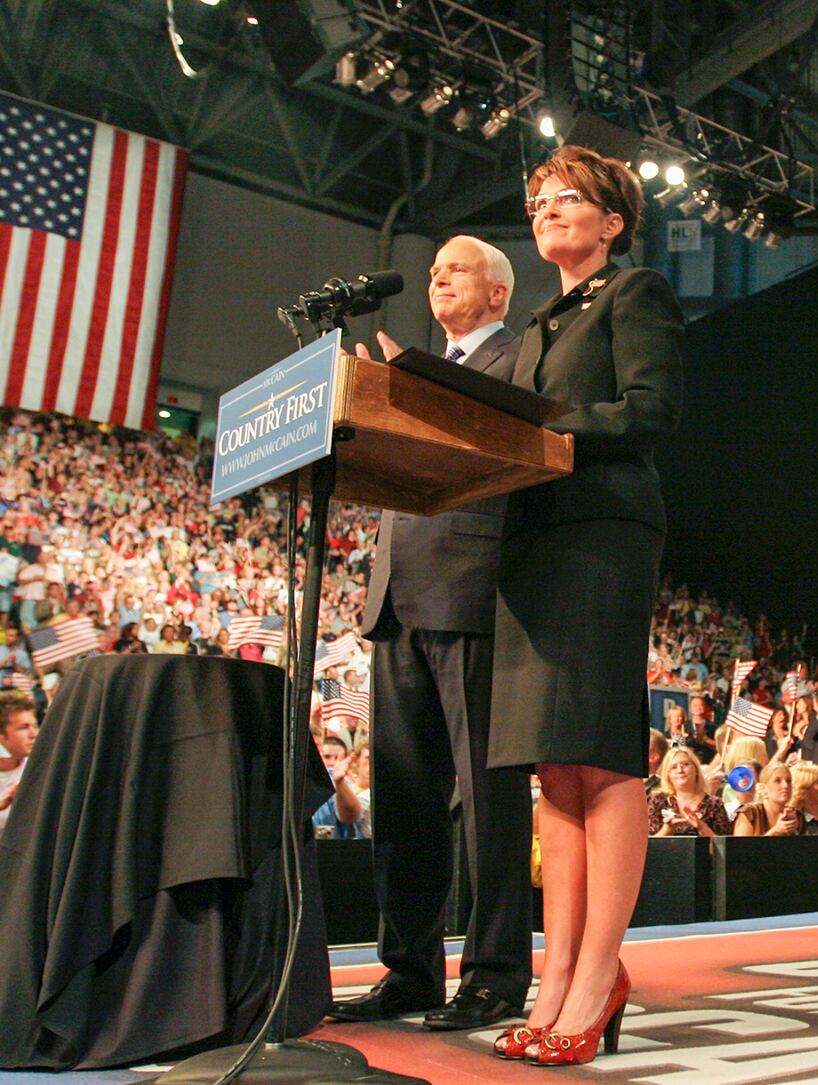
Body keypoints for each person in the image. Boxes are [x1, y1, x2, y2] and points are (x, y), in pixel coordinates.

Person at [489, 144, 684, 1066]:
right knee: (553, 771)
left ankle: (600, 970)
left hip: (602, 536)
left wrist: (541, 427)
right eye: (537, 200)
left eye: (569, 199)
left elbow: (648, 411)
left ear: (611, 222)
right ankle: (556, 973)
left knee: (600, 757)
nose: (548, 210)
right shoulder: (536, 325)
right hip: (531, 542)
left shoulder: (632, 293)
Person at [331, 235, 534, 1033]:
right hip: (397, 601)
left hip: (472, 592)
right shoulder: (413, 372)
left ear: (497, 295)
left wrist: (421, 389)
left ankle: (493, 975)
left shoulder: (517, 362)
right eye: (435, 267)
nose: (437, 274)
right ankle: (409, 970)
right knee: (407, 803)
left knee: (487, 802)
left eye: (458, 267)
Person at [648, 747, 733, 837]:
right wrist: (667, 830)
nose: (680, 770)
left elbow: (723, 846)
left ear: (696, 770)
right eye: (674, 767)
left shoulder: (715, 805)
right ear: (668, 775)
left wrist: (702, 827)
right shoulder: (658, 801)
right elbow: (647, 846)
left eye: (686, 764)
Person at [0, 691, 38, 839]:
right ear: (1, 736)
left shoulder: (40, 769)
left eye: (35, 726)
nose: (33, 734)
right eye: (24, 727)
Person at [733, 760, 800, 836]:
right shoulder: (749, 813)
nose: (785, 786)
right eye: (777, 781)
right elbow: (740, 847)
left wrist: (795, 833)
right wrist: (774, 832)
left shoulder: (798, 816)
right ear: (763, 788)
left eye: (788, 781)